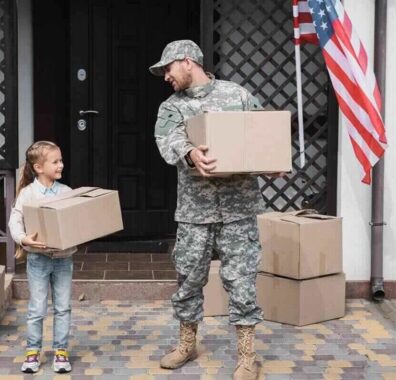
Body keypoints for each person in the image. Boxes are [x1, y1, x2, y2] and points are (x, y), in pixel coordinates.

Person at [149, 39, 266, 380]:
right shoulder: (171, 107)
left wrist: (273, 160)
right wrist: (190, 153)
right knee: (188, 280)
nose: (165, 77)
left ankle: (247, 356)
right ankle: (187, 344)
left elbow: (263, 133)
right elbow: (167, 140)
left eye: (167, 69)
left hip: (238, 210)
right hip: (194, 212)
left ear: (187, 62)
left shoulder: (238, 95)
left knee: (242, 281)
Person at [8, 141, 75, 374]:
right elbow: (15, 220)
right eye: (55, 161)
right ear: (38, 167)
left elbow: (75, 222)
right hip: (37, 260)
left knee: (63, 307)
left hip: (63, 259)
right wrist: (23, 238)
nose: (61, 165)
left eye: (61, 160)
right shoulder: (28, 194)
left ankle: (60, 351)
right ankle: (32, 352)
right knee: (37, 308)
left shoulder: (67, 192)